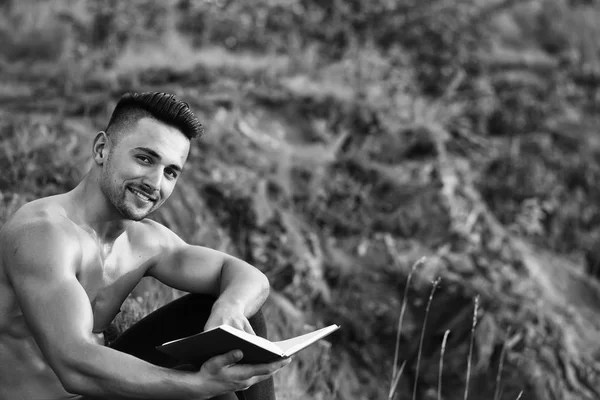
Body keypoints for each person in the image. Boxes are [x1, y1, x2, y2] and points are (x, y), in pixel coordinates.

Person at [0, 92, 291, 400]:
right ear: (102, 149)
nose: (155, 182)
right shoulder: (42, 233)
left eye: (170, 171)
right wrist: (197, 387)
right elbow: (73, 365)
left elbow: (248, 276)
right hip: (62, 389)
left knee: (234, 310)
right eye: (145, 159)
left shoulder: (146, 241)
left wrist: (228, 308)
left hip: (98, 392)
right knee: (216, 394)